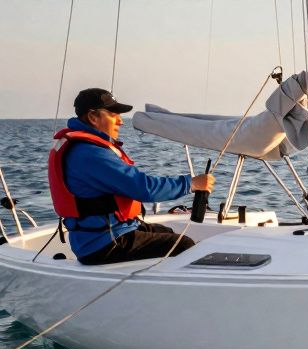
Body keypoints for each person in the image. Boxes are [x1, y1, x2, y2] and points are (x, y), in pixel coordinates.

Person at [49, 88, 214, 265]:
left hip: (106, 235)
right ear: (93, 117)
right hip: (104, 244)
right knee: (183, 245)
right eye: (113, 114)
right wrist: (191, 183)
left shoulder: (86, 149)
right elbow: (143, 188)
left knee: (169, 233)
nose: (120, 121)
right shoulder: (89, 154)